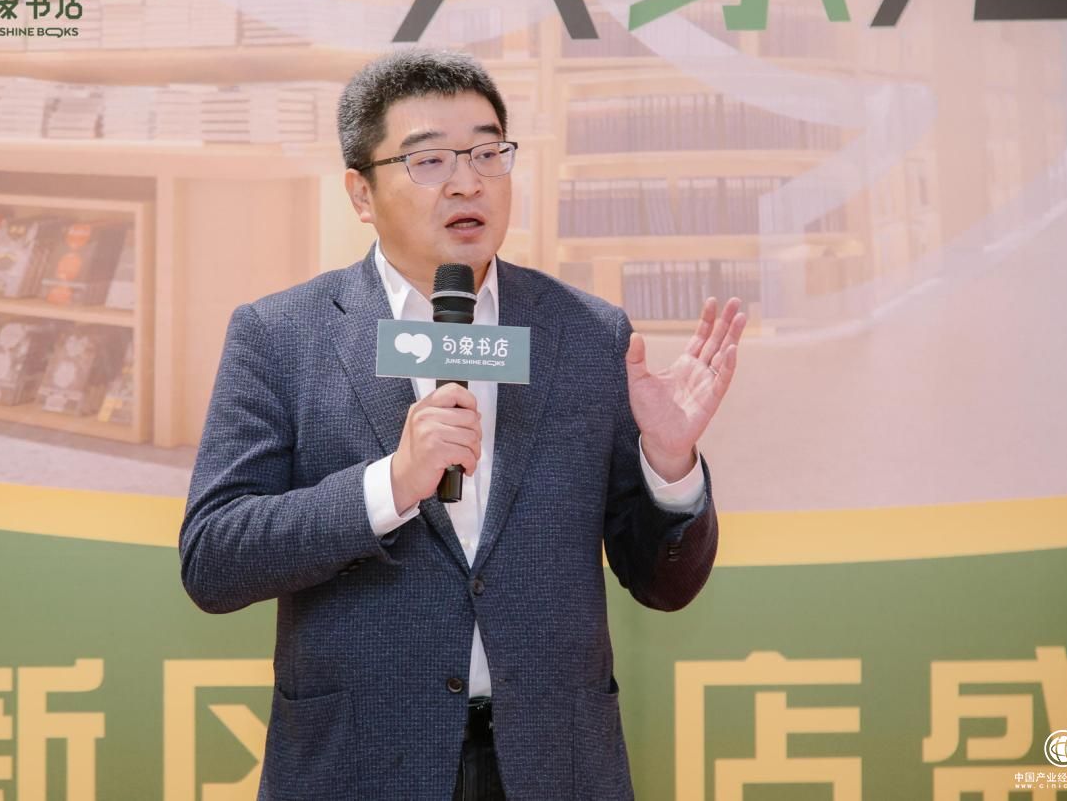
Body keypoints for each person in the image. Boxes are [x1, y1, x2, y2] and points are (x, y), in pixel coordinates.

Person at [180, 48, 745, 801]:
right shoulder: (281, 336)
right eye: (428, 160)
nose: (466, 182)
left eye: (486, 153)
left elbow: (661, 583)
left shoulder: (586, 334)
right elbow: (214, 559)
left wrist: (669, 466)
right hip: (363, 764)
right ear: (360, 192)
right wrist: (389, 485)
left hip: (555, 766)